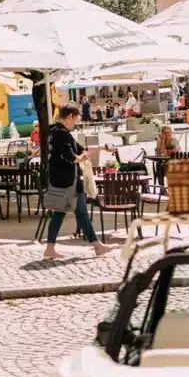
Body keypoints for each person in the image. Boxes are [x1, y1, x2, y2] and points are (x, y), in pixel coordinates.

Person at [43, 104, 113, 261]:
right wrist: (80, 158)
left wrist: (102, 148)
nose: (75, 123)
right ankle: (97, 246)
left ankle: (50, 248)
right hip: (70, 182)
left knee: (60, 213)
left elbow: (81, 148)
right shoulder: (61, 133)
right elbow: (70, 155)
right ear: (69, 117)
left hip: (60, 180)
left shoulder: (55, 132)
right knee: (81, 212)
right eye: (75, 120)